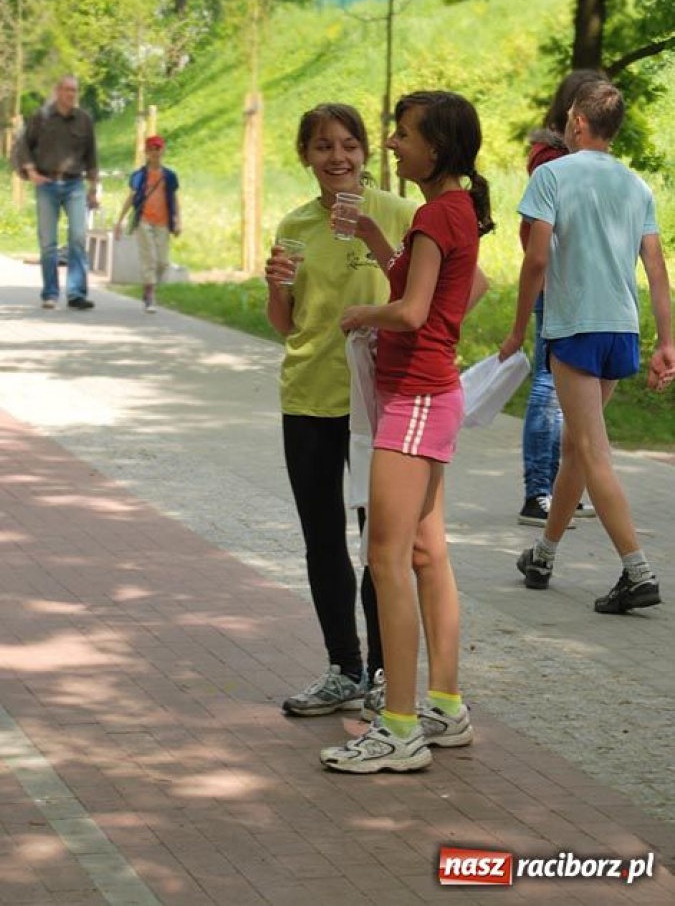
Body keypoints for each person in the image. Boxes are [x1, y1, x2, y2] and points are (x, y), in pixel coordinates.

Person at [320, 90, 493, 773]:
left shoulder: (435, 214)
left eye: (403, 134)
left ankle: (396, 727)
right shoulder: (451, 212)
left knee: (386, 559)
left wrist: (366, 311)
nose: (392, 144)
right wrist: (373, 240)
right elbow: (463, 287)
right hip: (431, 394)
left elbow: (416, 310)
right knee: (424, 553)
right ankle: (443, 708)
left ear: (437, 147)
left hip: (414, 399)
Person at [265, 103, 418, 719]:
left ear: (367, 152)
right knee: (322, 538)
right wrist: (275, 284)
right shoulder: (294, 223)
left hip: (376, 404)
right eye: (323, 146)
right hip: (307, 395)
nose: (338, 158)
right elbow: (285, 324)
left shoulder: (400, 214)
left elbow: (428, 294)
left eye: (350, 145)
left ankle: (385, 671)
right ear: (305, 155)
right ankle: (343, 668)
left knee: (379, 543)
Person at [500, 79, 675, 614]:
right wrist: (667, 341)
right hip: (620, 330)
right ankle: (544, 556)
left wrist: (514, 331)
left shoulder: (551, 174)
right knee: (577, 446)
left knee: (592, 452)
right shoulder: (636, 186)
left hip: (575, 327)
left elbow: (534, 259)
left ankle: (637, 571)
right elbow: (656, 267)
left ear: (577, 122)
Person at [517, 70, 604, 527]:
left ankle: (561, 486)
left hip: (578, 283)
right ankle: (537, 491)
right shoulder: (550, 161)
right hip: (555, 282)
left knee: (571, 389)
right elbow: (539, 233)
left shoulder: (574, 159)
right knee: (549, 386)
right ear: (575, 113)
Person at [17, 74, 98, 310]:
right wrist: (31, 172)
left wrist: (94, 188)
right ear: (57, 91)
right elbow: (23, 146)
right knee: (48, 243)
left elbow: (92, 155)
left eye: (74, 90)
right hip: (47, 184)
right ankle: (50, 293)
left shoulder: (84, 120)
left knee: (78, 237)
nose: (70, 95)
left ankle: (76, 294)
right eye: (66, 90)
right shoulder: (41, 117)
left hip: (75, 184)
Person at [114, 135, 181, 313]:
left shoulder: (170, 176)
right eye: (151, 149)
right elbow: (131, 197)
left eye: (158, 148)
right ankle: (150, 296)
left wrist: (178, 220)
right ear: (146, 152)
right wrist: (120, 220)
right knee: (149, 258)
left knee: (163, 262)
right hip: (144, 221)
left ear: (163, 150)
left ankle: (149, 288)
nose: (155, 152)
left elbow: (174, 199)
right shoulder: (139, 176)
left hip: (164, 223)